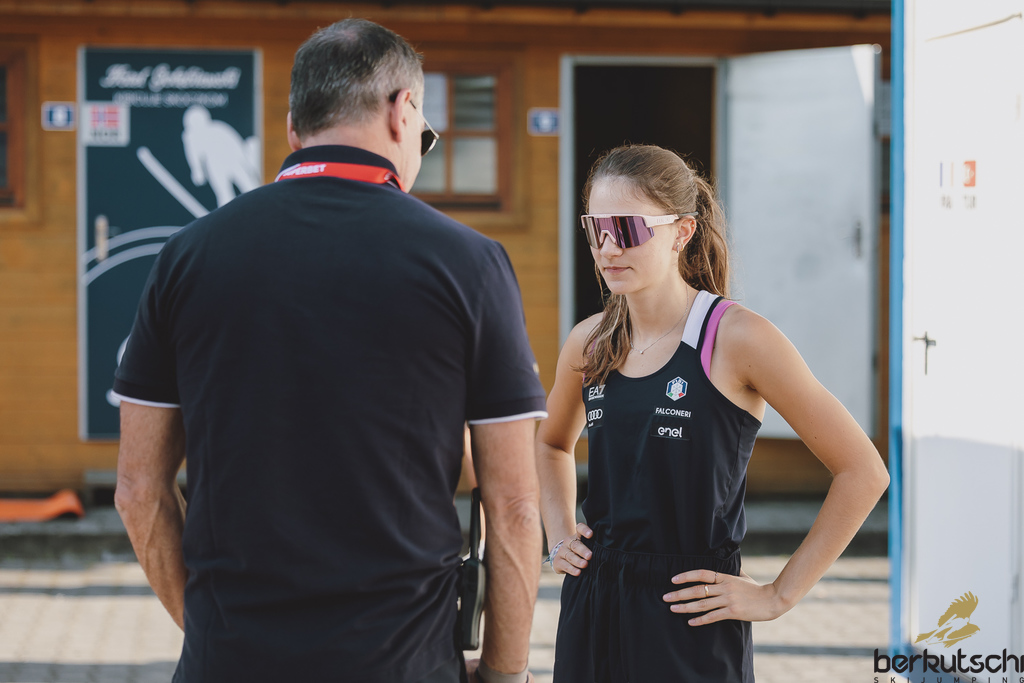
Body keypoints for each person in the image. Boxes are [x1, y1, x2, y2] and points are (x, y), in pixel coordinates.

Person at [113, 19, 546, 683]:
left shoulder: (187, 256)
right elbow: (513, 506)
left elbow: (139, 490)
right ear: (404, 112)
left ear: (294, 128)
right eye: (425, 134)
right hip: (403, 665)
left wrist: (212, 635)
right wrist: (503, 673)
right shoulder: (470, 264)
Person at [536, 145, 890, 682]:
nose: (608, 247)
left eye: (626, 228)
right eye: (596, 228)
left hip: (692, 611)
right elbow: (550, 443)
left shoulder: (738, 339)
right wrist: (560, 534)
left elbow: (863, 470)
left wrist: (778, 595)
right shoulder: (590, 342)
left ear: (682, 232)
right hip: (593, 602)